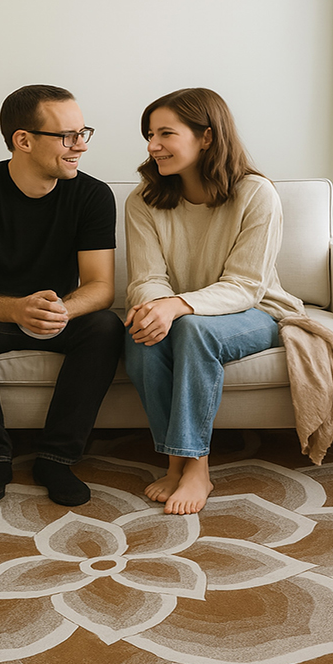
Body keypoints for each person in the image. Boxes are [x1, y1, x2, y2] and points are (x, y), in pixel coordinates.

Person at [0, 84, 124, 507]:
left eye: (83, 133)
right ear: (23, 140)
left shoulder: (93, 195)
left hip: (58, 317)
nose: (81, 146)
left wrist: (60, 310)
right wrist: (16, 309)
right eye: (67, 136)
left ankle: (56, 459)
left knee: (106, 325)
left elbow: (101, 286)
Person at [124, 87, 305, 516]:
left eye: (165, 133)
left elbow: (245, 285)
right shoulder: (143, 199)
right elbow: (147, 279)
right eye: (150, 135)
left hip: (256, 311)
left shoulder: (256, 193)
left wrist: (175, 307)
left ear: (206, 136)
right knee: (140, 335)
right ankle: (176, 463)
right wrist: (157, 309)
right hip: (181, 312)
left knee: (192, 329)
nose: (152, 146)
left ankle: (195, 466)